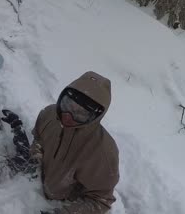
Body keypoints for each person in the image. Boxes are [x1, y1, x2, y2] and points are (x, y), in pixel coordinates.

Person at [32, 71, 120, 214]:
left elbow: (101, 201)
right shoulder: (49, 114)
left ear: (95, 116)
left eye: (81, 114)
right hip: (33, 187)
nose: (68, 116)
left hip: (63, 203)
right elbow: (38, 137)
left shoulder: (103, 153)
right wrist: (35, 157)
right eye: (68, 104)